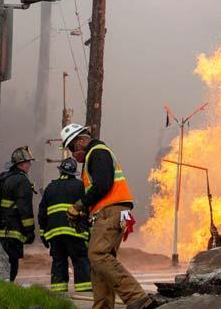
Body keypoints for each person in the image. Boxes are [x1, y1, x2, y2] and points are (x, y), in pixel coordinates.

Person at [61, 123, 159, 309]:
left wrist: (79, 205)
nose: (73, 153)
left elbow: (103, 185)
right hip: (114, 212)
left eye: (72, 147)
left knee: (97, 254)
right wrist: (84, 214)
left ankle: (137, 298)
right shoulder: (95, 155)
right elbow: (99, 190)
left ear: (82, 140)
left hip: (112, 211)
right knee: (100, 263)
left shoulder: (97, 153)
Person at [38, 157, 92, 294]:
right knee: (80, 260)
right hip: (75, 232)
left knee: (58, 262)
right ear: (74, 172)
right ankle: (84, 292)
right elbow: (86, 209)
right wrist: (88, 230)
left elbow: (42, 213)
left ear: (60, 171)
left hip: (55, 235)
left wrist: (43, 232)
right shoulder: (80, 186)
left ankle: (59, 293)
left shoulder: (50, 188)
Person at [0, 145, 36, 281]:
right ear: (22, 163)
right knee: (12, 263)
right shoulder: (22, 181)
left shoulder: (2, 178)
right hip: (13, 231)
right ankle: (8, 287)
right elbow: (24, 209)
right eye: (28, 162)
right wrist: (30, 231)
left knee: (2, 262)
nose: (29, 165)